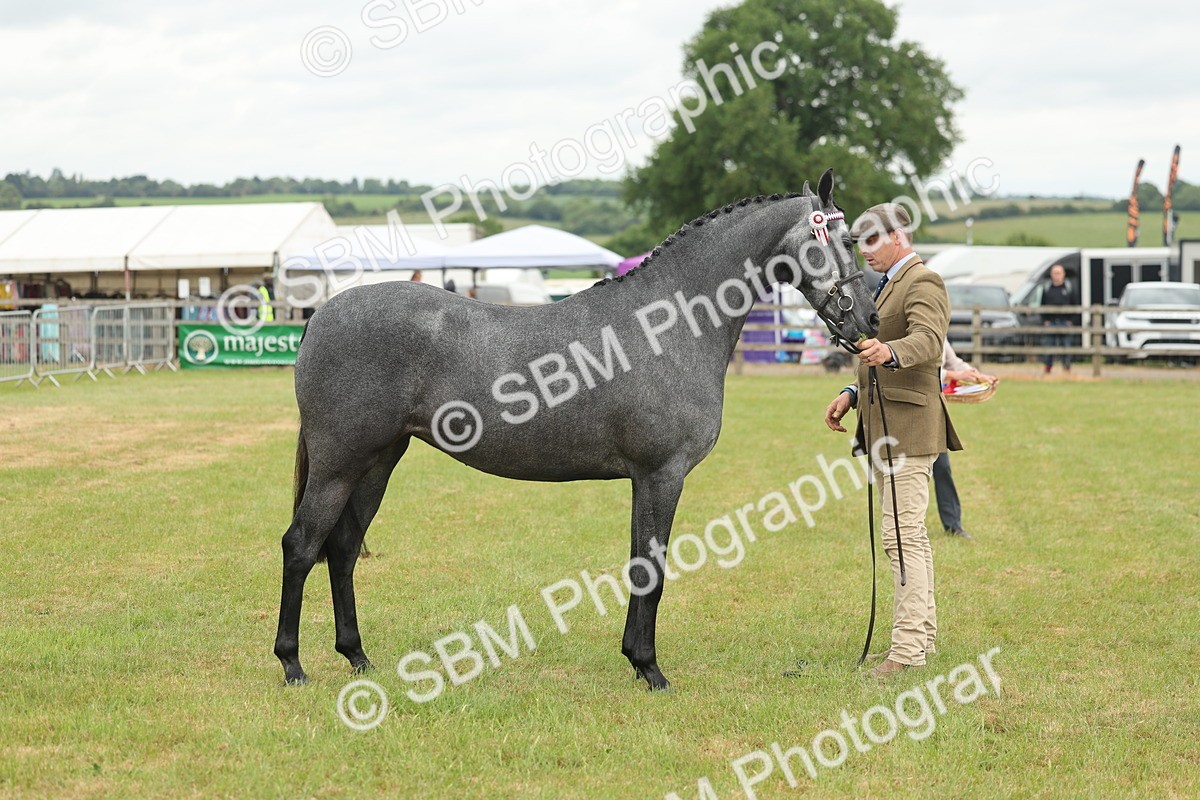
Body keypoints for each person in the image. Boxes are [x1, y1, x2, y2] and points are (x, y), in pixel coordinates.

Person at [824, 203, 962, 678]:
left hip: (910, 428)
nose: (864, 252)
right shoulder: (886, 285)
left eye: (871, 241)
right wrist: (850, 393)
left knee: (901, 539)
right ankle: (922, 638)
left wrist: (890, 351)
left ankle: (906, 652)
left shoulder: (923, 281)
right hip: (884, 427)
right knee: (910, 537)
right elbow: (874, 354)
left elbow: (928, 340)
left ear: (897, 236)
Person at [934, 341, 998, 540]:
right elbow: (918, 370)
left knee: (942, 467)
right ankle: (899, 526)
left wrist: (978, 376)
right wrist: (953, 375)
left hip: (933, 411)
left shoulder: (940, 331)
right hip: (907, 410)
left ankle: (953, 526)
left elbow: (954, 363)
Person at [1040, 263, 1075, 373]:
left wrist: (1071, 321)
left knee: (1066, 347)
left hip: (1065, 322)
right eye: (1055, 273)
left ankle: (1066, 368)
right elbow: (1042, 305)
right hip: (1051, 322)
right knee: (1049, 346)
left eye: (1059, 273)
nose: (1057, 275)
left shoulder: (1068, 288)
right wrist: (1045, 320)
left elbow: (1075, 305)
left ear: (1063, 274)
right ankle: (1048, 368)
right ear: (1051, 275)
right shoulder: (1047, 288)